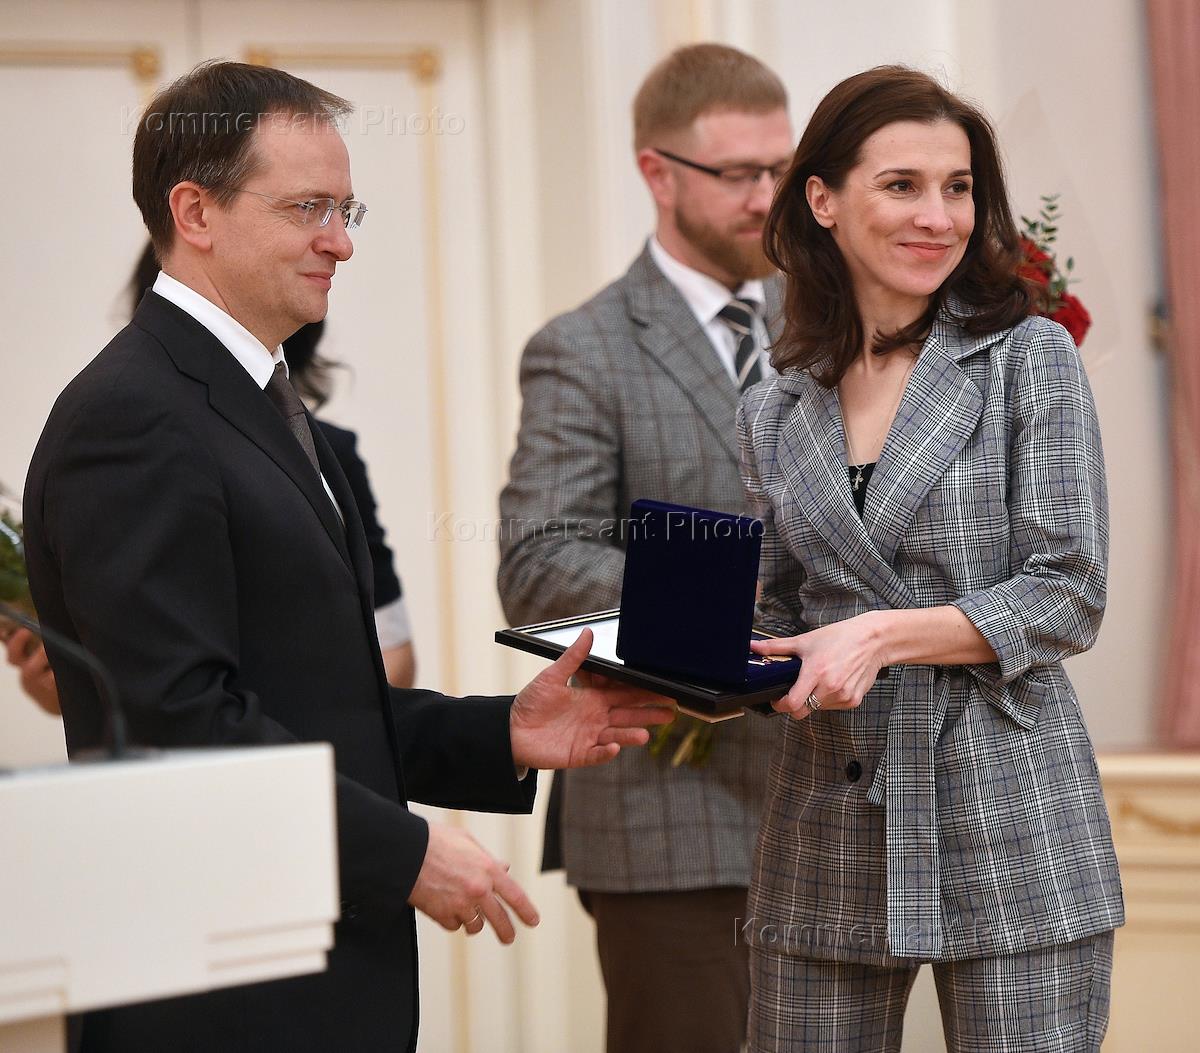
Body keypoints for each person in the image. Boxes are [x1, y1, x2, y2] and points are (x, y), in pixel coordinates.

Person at [21, 60, 670, 1053]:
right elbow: (181, 723)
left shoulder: (265, 405)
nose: (342, 241)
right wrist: (403, 851)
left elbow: (315, 699)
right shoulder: (133, 417)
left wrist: (502, 732)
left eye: (346, 208)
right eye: (308, 208)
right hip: (220, 989)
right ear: (195, 212)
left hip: (304, 973)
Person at [736, 66, 1123, 1051]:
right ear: (822, 200)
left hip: (1014, 818)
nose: (938, 217)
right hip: (827, 822)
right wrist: (689, 665)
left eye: (958, 188)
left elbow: (1069, 590)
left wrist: (878, 637)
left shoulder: (1031, 357)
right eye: (902, 185)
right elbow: (774, 613)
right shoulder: (774, 403)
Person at [498, 44, 792, 1053]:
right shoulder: (584, 348)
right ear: (656, 173)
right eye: (740, 173)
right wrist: (737, 600)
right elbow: (540, 561)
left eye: (782, 169)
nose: (769, 197)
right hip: (670, 817)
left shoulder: (836, 326)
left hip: (835, 810)